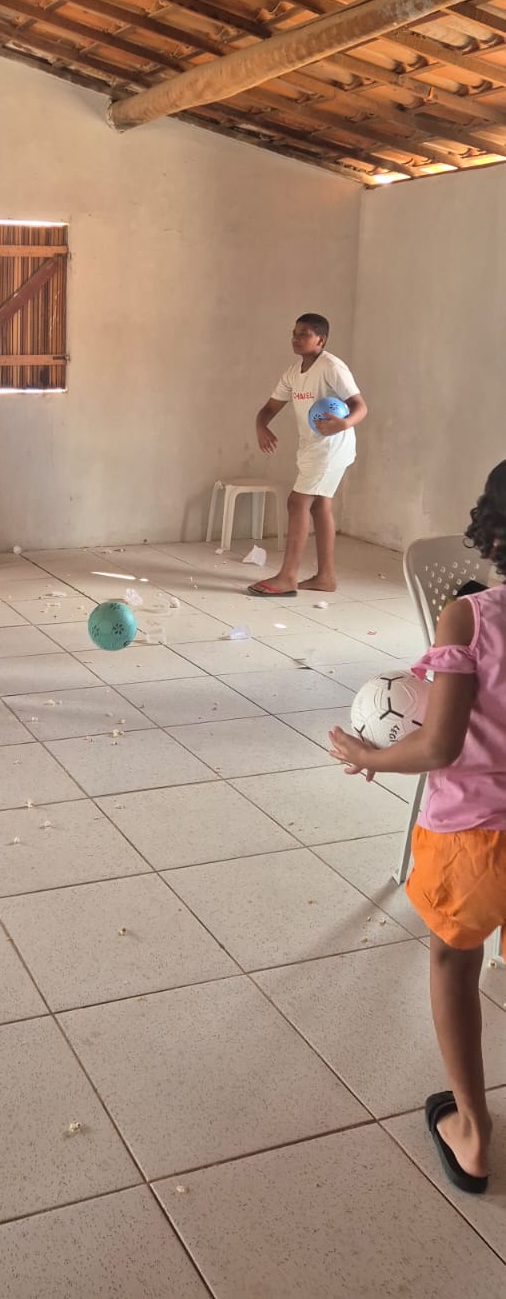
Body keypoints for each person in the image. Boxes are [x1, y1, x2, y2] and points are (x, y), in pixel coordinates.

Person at [330, 461, 506, 1197]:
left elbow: (438, 746)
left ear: (491, 531)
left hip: (472, 837)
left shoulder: (472, 617)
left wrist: (370, 755)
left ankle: (473, 1132)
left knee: (453, 963)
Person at [251, 313, 367, 597]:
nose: (296, 338)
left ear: (321, 339)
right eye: (294, 333)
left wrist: (343, 424)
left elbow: (360, 406)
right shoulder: (293, 373)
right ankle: (325, 577)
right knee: (319, 506)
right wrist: (261, 426)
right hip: (311, 447)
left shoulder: (332, 367)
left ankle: (287, 576)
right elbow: (269, 408)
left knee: (297, 502)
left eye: (304, 334)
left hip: (331, 447)